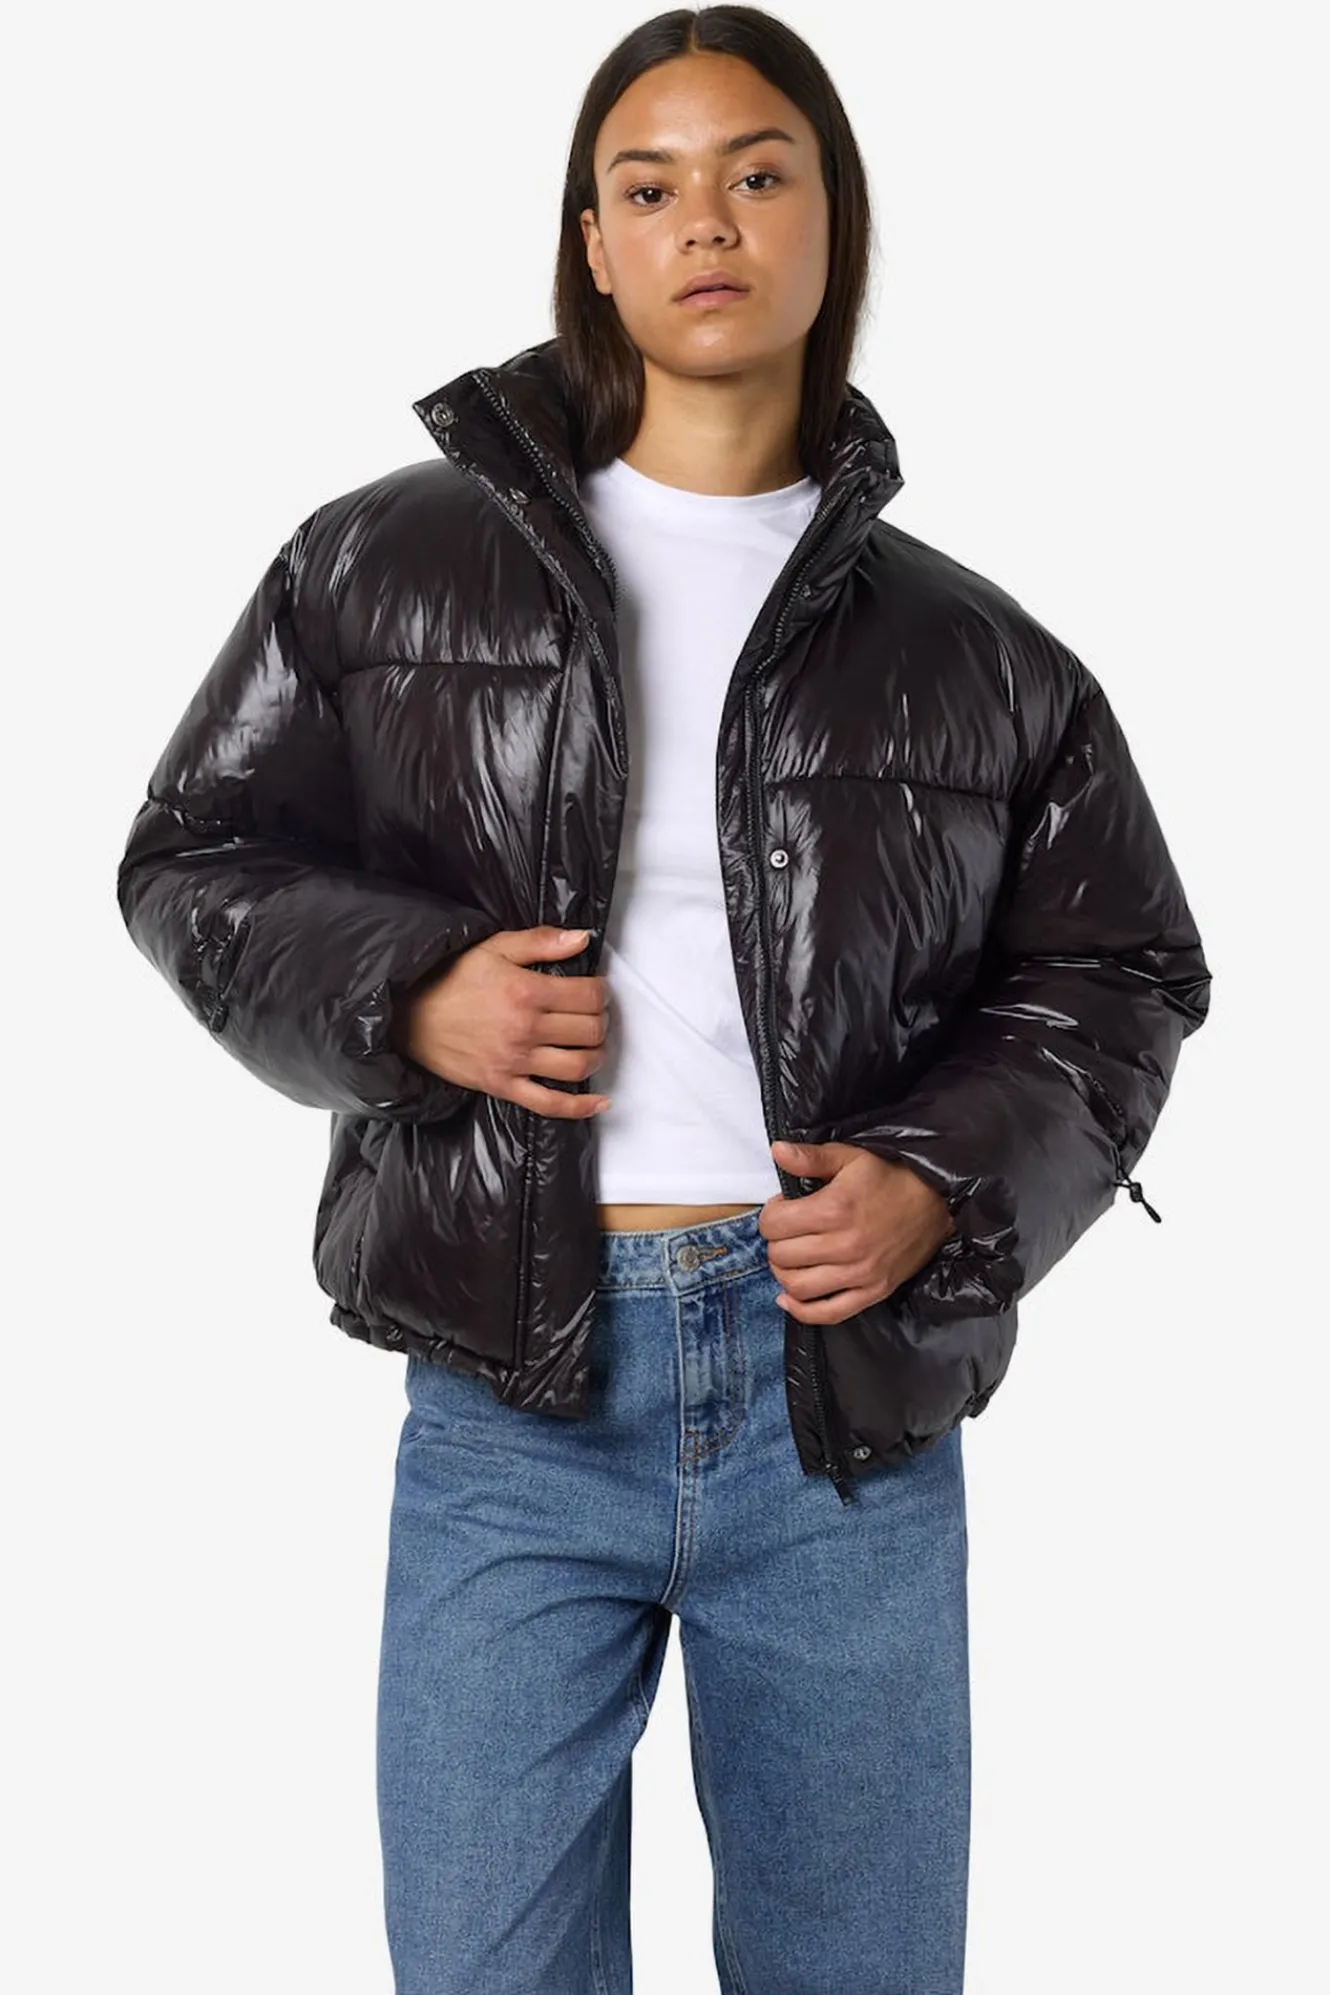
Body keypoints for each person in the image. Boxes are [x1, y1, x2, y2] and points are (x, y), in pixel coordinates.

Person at [115, 8, 1211, 1991]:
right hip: (509, 1389)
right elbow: (195, 859)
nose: (705, 219)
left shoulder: (979, 656)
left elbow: (1116, 970)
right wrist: (414, 994)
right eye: (650, 184)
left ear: (828, 219)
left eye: (756, 173)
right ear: (595, 243)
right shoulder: (375, 567)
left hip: (838, 1403)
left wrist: (936, 1182)